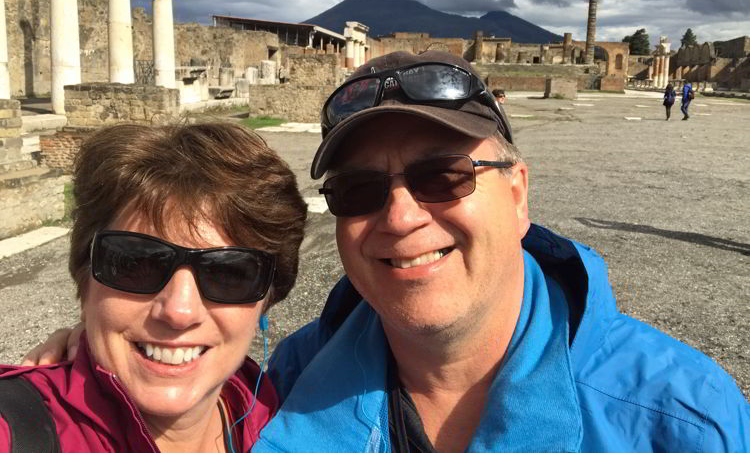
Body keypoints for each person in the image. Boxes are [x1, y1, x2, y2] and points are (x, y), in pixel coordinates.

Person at [24, 53, 750, 451]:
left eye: (443, 175)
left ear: (519, 193)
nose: (401, 216)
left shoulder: (680, 420)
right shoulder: (289, 382)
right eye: (360, 190)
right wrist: (87, 355)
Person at [0, 122, 307, 452]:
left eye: (228, 273)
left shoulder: (278, 409)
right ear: (85, 279)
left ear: (268, 296)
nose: (179, 312)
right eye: (135, 264)